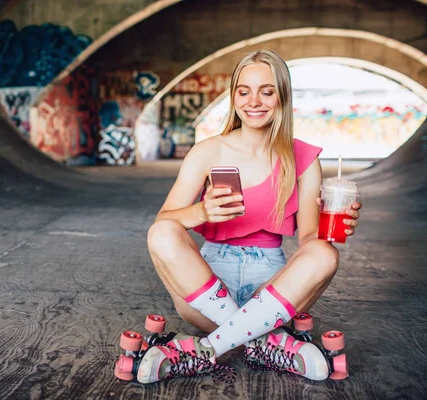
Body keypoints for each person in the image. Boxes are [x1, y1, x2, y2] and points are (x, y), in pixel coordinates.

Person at [136, 50, 363, 384]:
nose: (254, 101)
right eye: (244, 91)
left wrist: (336, 228)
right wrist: (201, 211)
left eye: (266, 91)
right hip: (207, 281)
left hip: (271, 287)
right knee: (161, 234)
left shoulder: (303, 158)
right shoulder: (208, 152)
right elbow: (164, 222)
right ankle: (264, 343)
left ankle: (203, 350)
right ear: (234, 96)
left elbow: (309, 240)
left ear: (281, 96)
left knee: (324, 254)